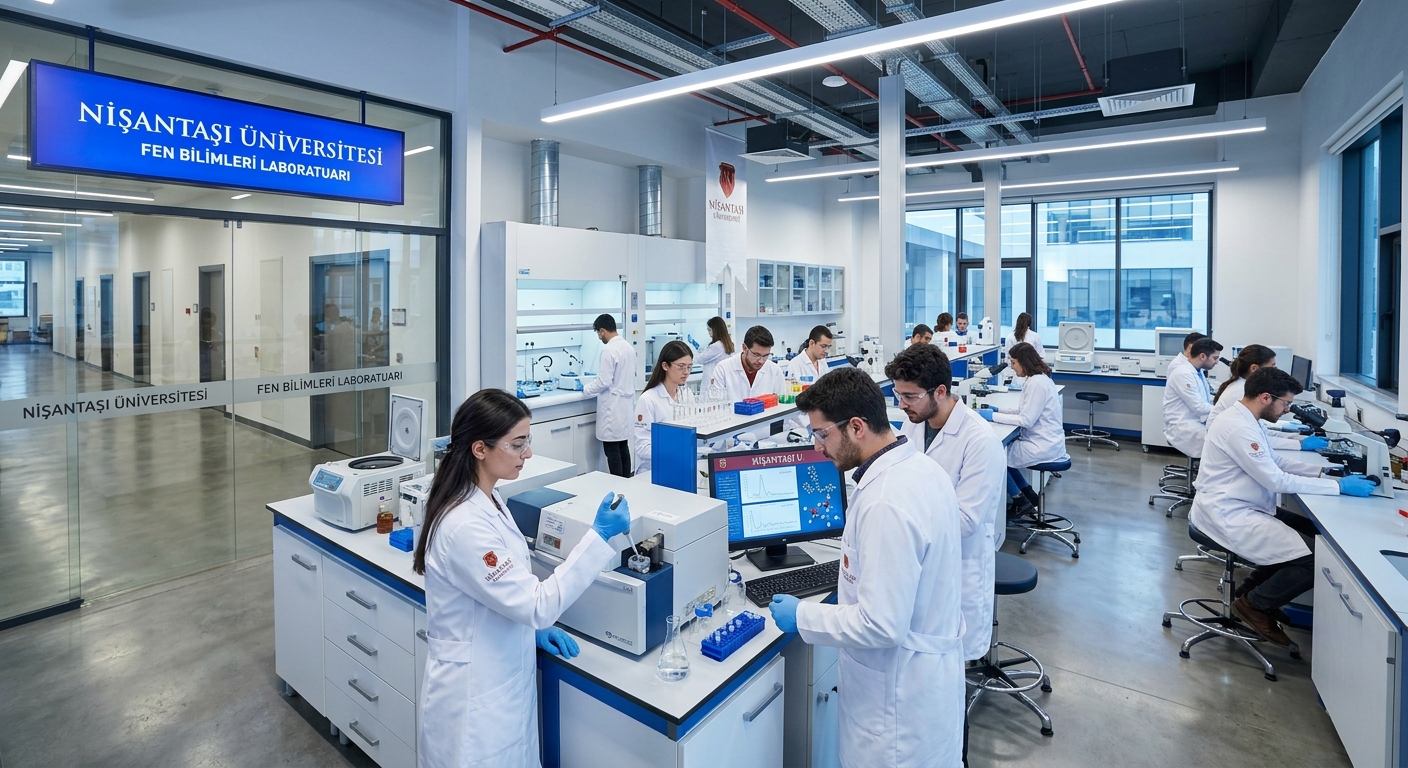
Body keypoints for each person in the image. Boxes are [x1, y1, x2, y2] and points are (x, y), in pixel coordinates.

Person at [414, 389, 631, 768]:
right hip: (474, 708)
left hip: (500, 682)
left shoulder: (486, 498)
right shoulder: (465, 524)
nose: (527, 454)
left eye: (526, 441)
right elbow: (536, 603)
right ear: (480, 449)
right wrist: (598, 537)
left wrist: (528, 632)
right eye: (517, 445)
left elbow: (498, 590)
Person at [769, 367, 966, 768]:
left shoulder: (885, 502)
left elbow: (882, 625)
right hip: (927, 684)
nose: (818, 447)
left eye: (823, 434)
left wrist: (802, 615)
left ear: (856, 427)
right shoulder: (920, 468)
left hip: (896, 712)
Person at [1189, 367, 1376, 646]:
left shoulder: (1248, 419)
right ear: (1266, 397)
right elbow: (1275, 480)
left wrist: (1324, 474)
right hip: (1228, 513)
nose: (1287, 410)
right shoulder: (1239, 427)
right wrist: (1339, 488)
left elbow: (1276, 462)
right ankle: (1255, 604)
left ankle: (1249, 592)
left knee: (1312, 532)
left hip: (1245, 503)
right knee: (1315, 557)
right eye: (1285, 403)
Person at [887, 344, 1007, 763]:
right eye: (897, 395)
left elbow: (966, 520)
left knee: (950, 696)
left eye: (910, 396)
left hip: (957, 574)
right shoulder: (914, 426)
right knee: (924, 694)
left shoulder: (980, 442)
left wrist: (901, 516)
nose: (902, 406)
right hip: (920, 570)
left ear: (940, 390)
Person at [978, 342, 1069, 518]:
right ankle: (1028, 496)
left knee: (995, 455)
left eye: (1013, 363)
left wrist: (992, 417)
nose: (1011, 367)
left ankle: (1020, 501)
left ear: (1024, 362)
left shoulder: (1037, 383)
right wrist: (998, 410)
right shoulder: (1037, 379)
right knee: (1002, 450)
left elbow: (1026, 419)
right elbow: (1025, 410)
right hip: (1044, 441)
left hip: (1043, 446)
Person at [1210, 345, 1325, 453]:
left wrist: (1294, 437)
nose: (1276, 369)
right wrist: (1299, 444)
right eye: (1273, 366)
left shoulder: (1244, 386)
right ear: (1254, 368)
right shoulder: (1241, 392)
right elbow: (1259, 440)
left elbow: (1262, 432)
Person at [584, 313, 637, 477]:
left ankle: (618, 484)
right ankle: (626, 481)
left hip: (612, 409)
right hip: (625, 406)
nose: (600, 338)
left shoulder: (609, 350)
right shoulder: (628, 347)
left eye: (598, 334)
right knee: (623, 447)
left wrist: (586, 389)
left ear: (602, 331)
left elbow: (604, 381)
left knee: (612, 451)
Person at [634, 340, 692, 476]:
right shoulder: (648, 400)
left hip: (680, 465)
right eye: (681, 367)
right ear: (665, 366)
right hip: (653, 471)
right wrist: (676, 450)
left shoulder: (687, 395)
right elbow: (643, 448)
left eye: (689, 367)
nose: (686, 372)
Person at [1162, 336, 1223, 461]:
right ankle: (1206, 479)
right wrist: (1225, 410)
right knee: (1222, 444)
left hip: (1196, 421)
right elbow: (1199, 407)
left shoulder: (1196, 371)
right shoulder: (1183, 373)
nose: (1217, 362)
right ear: (1202, 356)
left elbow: (1205, 400)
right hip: (1184, 426)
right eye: (1215, 358)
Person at [711, 324, 785, 402]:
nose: (761, 361)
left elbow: (781, 405)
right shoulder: (723, 369)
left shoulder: (775, 371)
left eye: (766, 355)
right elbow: (715, 406)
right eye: (756, 355)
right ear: (744, 348)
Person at [694, 316, 734, 388]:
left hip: (712, 381)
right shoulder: (727, 344)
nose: (709, 333)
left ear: (716, 330)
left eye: (710, 330)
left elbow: (699, 359)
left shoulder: (716, 346)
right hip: (721, 380)